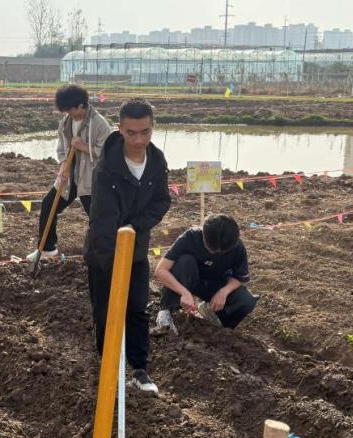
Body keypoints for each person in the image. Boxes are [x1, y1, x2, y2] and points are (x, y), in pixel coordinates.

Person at [85, 99, 171, 395]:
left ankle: (139, 369)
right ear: (120, 128)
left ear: (152, 128)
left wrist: (135, 226)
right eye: (131, 132)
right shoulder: (107, 168)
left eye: (145, 132)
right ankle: (110, 367)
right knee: (106, 313)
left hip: (136, 252)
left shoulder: (156, 162)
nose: (138, 140)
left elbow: (161, 201)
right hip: (104, 252)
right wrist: (110, 263)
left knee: (137, 309)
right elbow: (102, 219)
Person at [27, 84, 112, 262]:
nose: (68, 113)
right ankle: (47, 248)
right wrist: (63, 165)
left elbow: (107, 153)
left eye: (70, 109)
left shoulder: (99, 124)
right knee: (48, 204)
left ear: (81, 105)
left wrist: (82, 146)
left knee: (97, 217)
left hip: (90, 179)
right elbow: (61, 149)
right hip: (69, 176)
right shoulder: (66, 122)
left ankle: (104, 253)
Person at [153, 214, 257, 334]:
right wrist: (184, 292)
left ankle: (214, 316)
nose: (215, 253)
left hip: (215, 282)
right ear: (203, 234)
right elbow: (161, 270)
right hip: (188, 278)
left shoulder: (237, 247)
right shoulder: (190, 237)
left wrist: (224, 292)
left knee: (246, 301)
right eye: (211, 249)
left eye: (220, 251)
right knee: (185, 261)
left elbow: (239, 277)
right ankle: (166, 311)